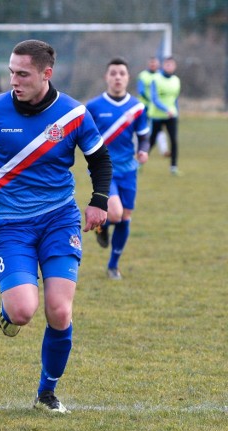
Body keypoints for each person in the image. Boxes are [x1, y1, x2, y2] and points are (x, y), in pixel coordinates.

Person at [0, 40, 112, 413]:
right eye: (11, 72)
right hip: (8, 223)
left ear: (46, 74)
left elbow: (99, 161)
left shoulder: (73, 114)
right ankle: (9, 311)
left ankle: (46, 393)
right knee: (23, 311)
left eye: (22, 74)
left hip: (59, 219)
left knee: (59, 311)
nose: (13, 81)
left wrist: (98, 201)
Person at [86, 57, 150, 280]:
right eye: (113, 73)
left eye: (122, 73)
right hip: (103, 169)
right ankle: (101, 225)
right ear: (106, 77)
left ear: (128, 77)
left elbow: (144, 136)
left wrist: (143, 150)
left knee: (125, 218)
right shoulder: (93, 107)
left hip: (128, 169)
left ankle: (113, 265)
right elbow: (82, 135)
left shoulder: (138, 108)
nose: (117, 77)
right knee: (116, 212)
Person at [148, 56, 182, 176]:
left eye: (171, 65)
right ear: (163, 65)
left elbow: (175, 98)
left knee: (173, 140)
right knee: (151, 140)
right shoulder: (156, 79)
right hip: (157, 115)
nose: (169, 67)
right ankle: (140, 162)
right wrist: (165, 109)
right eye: (167, 64)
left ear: (174, 66)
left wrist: (176, 111)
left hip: (171, 116)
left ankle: (173, 167)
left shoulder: (176, 80)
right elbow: (154, 98)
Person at [137, 56, 169, 156]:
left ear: (158, 64)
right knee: (140, 127)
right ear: (148, 64)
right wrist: (150, 100)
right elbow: (141, 91)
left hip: (156, 108)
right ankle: (138, 148)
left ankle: (164, 150)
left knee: (158, 129)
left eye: (154, 63)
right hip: (144, 107)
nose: (153, 65)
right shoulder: (143, 75)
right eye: (151, 63)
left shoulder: (160, 76)